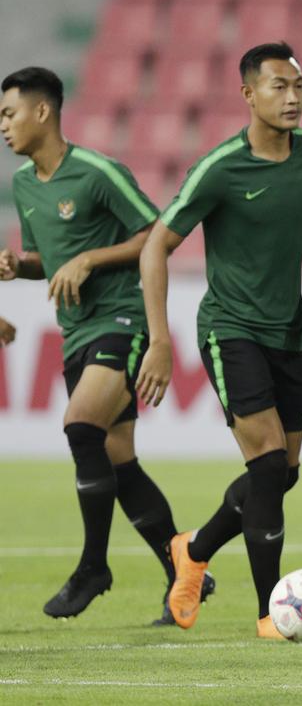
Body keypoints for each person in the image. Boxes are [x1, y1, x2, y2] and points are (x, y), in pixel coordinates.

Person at [136, 42, 302, 639]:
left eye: (298, 85)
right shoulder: (220, 168)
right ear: (248, 94)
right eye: (278, 86)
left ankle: (193, 549)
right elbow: (156, 245)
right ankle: (268, 615)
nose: (292, 97)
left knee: (283, 474)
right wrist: (159, 339)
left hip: (287, 330)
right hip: (230, 329)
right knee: (269, 464)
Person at [0, 66, 213, 624]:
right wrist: (19, 265)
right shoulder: (24, 185)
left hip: (122, 320)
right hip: (75, 330)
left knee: (79, 428)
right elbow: (50, 261)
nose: (3, 126)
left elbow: (154, 233)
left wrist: (92, 258)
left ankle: (94, 566)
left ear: (42, 112)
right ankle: (185, 572)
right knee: (119, 463)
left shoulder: (96, 172)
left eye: (8, 113)